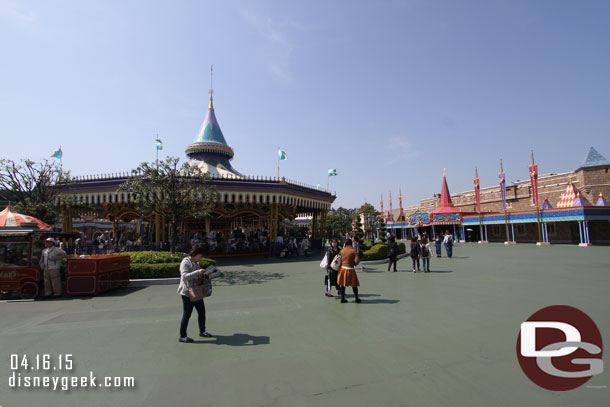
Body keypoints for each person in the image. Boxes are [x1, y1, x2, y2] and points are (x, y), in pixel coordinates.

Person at [177, 245, 214, 343]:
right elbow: (184, 276)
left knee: (202, 312)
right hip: (187, 292)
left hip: (197, 291)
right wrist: (198, 272)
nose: (200, 258)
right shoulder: (185, 262)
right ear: (195, 254)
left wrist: (206, 273)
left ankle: (202, 331)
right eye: (199, 256)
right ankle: (183, 336)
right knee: (187, 314)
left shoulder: (196, 263)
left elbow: (198, 275)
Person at [336, 239, 361, 303]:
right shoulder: (353, 251)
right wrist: (354, 263)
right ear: (351, 244)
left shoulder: (342, 250)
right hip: (350, 269)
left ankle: (342, 298)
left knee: (343, 284)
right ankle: (356, 298)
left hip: (343, 269)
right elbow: (357, 260)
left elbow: (338, 258)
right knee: (354, 284)